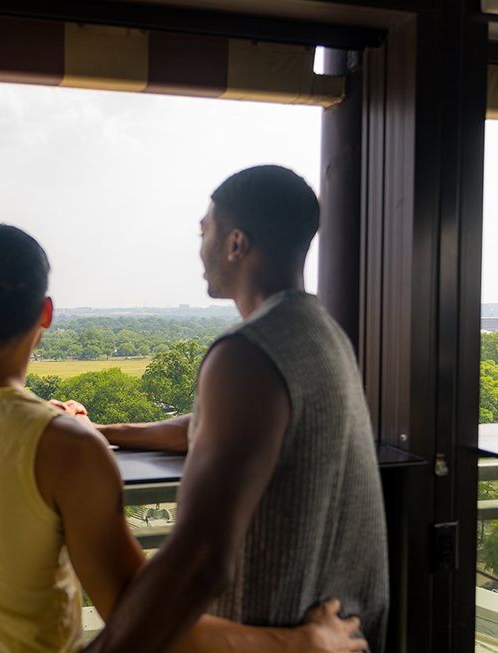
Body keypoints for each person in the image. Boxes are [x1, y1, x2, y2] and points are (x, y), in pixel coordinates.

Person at [0, 224, 368, 653]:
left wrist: (55, 422)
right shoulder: (65, 450)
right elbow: (147, 621)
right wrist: (301, 642)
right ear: (47, 314)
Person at [71, 166, 388, 652]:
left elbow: (199, 560)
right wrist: (101, 430)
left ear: (235, 244)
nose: (200, 248)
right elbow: (213, 430)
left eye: (205, 232)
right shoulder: (319, 333)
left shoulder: (247, 352)